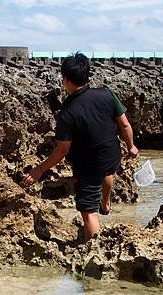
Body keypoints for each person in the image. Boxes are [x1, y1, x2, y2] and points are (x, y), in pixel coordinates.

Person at [21, 52, 138, 241]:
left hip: (88, 166)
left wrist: (38, 170)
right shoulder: (106, 93)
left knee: (89, 212)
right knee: (107, 172)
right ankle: (106, 203)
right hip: (111, 154)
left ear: (65, 79)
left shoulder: (68, 112)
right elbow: (124, 124)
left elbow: (62, 150)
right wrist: (131, 146)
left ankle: (95, 251)